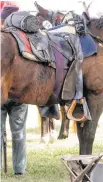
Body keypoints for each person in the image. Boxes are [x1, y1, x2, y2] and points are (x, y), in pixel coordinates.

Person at [0, 2, 28, 176]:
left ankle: (19, 169)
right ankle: (19, 170)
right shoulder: (25, 40)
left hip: (10, 94)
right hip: (19, 94)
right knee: (19, 133)